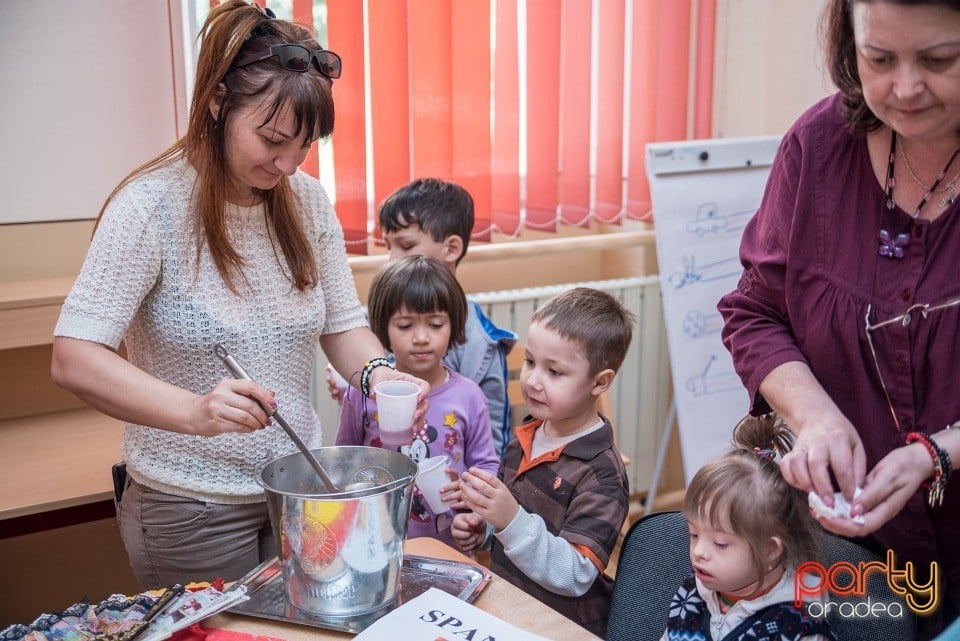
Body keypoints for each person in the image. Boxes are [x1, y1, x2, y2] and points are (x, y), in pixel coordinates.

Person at [49, 0, 426, 589]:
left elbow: (341, 322)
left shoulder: (305, 201)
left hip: (296, 488)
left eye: (303, 146)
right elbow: (75, 358)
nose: (288, 163)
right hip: (188, 506)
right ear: (217, 104)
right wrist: (195, 412)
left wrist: (380, 375)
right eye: (273, 139)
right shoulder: (149, 209)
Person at [717, 1, 960, 637]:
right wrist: (814, 415)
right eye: (879, 59)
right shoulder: (820, 146)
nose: (904, 89)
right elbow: (755, 311)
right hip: (840, 549)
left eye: (939, 60)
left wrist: (936, 455)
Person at [450, 287, 633, 638]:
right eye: (530, 362)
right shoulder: (526, 439)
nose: (532, 380)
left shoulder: (603, 476)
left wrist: (509, 519)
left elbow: (575, 574)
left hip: (560, 628)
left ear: (600, 382)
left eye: (555, 372)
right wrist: (485, 530)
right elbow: (514, 533)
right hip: (509, 613)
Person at [329, 178, 518, 456]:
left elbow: (491, 443)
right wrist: (350, 377)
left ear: (451, 248)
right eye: (389, 247)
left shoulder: (482, 345)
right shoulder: (386, 319)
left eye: (405, 246)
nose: (393, 258)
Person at [335, 255, 499, 545]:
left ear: (454, 326)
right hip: (371, 541)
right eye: (405, 325)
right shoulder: (362, 392)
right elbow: (342, 460)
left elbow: (486, 466)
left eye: (435, 325)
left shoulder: (469, 396)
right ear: (381, 328)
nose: (421, 337)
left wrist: (471, 504)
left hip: (447, 544)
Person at [660, 415, 835, 641]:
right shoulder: (691, 596)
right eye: (694, 534)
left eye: (720, 543)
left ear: (770, 550)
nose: (698, 552)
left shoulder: (796, 626)